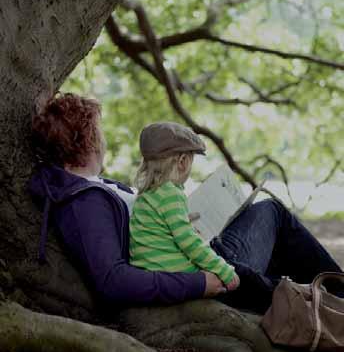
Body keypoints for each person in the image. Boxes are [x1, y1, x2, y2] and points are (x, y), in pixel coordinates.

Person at [29, 92, 343, 314]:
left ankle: (325, 299)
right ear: (86, 140)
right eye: (98, 130)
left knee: (267, 226)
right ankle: (333, 298)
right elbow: (113, 281)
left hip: (190, 253)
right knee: (272, 214)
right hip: (196, 268)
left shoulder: (89, 187)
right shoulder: (84, 203)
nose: (104, 138)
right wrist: (197, 283)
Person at [130, 122, 240, 292]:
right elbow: (189, 243)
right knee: (240, 272)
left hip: (149, 272)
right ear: (182, 162)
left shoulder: (146, 195)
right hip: (174, 272)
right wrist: (224, 271)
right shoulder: (171, 193)